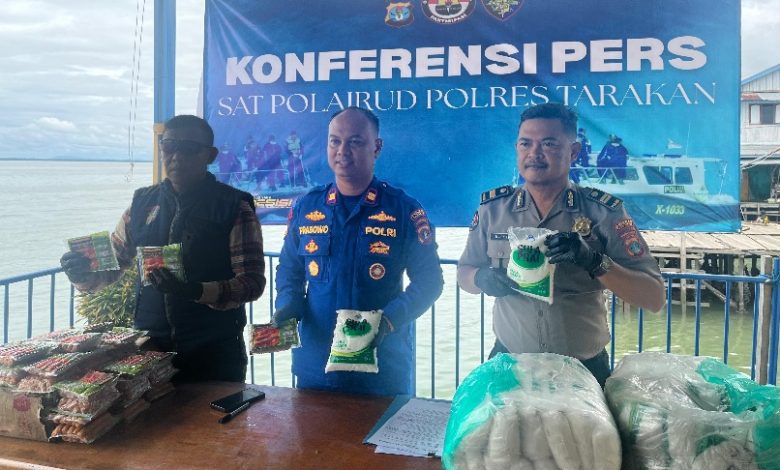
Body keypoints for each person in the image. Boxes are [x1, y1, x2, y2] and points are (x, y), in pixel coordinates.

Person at [457, 103, 664, 387]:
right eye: (525, 144)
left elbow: (653, 297)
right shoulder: (493, 210)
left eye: (549, 143)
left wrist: (594, 261)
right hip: (510, 368)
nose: (534, 153)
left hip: (583, 372)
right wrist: (480, 278)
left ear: (574, 152)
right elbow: (464, 272)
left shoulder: (604, 212)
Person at [60, 115, 266, 382]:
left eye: (189, 148)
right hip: (150, 348)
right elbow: (112, 265)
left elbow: (251, 283)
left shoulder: (234, 206)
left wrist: (197, 291)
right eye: (170, 146)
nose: (177, 156)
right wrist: (81, 273)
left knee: (215, 411)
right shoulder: (141, 204)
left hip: (214, 351)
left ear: (210, 155)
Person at [273, 107, 444, 396]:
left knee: (383, 428)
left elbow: (430, 282)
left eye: (355, 141)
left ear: (376, 147)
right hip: (315, 367)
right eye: (335, 141)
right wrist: (287, 306)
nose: (342, 151)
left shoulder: (403, 210)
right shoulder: (306, 207)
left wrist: (386, 321)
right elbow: (289, 270)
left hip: (381, 367)